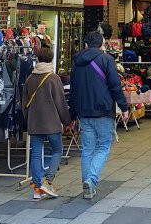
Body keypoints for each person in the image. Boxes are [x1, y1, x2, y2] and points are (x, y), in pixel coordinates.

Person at [69, 30, 129, 199]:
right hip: (103, 111)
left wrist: (72, 115)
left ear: (86, 45)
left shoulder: (76, 63)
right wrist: (124, 108)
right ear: (101, 44)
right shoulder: (106, 60)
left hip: (84, 113)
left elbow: (73, 91)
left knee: (87, 150)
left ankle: (87, 186)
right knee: (103, 147)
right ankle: (91, 180)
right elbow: (115, 86)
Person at [24, 47, 71, 201]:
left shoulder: (29, 79)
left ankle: (37, 189)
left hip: (35, 122)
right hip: (51, 122)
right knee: (57, 150)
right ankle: (48, 181)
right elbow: (60, 102)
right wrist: (67, 120)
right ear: (51, 59)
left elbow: (24, 103)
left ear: (37, 59)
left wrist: (28, 120)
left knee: (36, 154)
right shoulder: (53, 78)